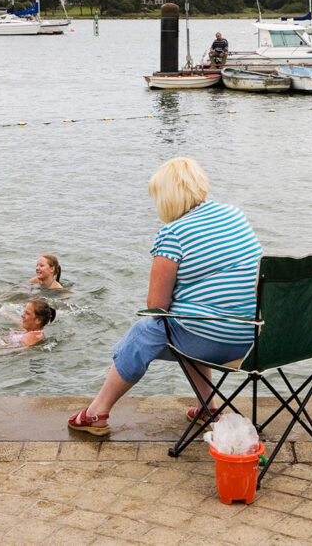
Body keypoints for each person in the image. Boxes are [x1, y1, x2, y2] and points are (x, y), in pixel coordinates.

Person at [67, 157, 262, 436]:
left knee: (146, 331)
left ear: (166, 197)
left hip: (215, 341)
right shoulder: (234, 215)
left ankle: (97, 412)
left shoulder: (173, 233)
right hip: (254, 340)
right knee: (190, 319)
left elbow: (157, 307)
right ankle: (207, 407)